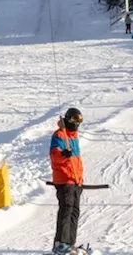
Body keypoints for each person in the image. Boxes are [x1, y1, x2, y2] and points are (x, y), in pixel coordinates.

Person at [49, 107, 84, 255]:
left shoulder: (74, 136)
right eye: (75, 119)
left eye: (79, 120)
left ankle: (70, 243)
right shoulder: (59, 134)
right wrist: (63, 153)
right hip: (64, 178)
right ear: (68, 119)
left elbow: (76, 160)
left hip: (76, 179)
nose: (77, 123)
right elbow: (54, 155)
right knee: (66, 209)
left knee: (75, 210)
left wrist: (80, 178)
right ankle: (61, 243)